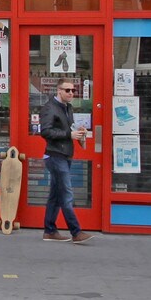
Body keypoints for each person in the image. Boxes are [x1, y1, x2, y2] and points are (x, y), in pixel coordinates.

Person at [39, 82, 87, 242]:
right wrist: (68, 134)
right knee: (66, 194)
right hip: (55, 156)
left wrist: (78, 131)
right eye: (67, 90)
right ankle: (76, 232)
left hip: (65, 155)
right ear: (59, 91)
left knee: (55, 195)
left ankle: (49, 231)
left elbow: (67, 128)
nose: (71, 93)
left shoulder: (68, 107)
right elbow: (45, 131)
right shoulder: (50, 108)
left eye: (73, 90)